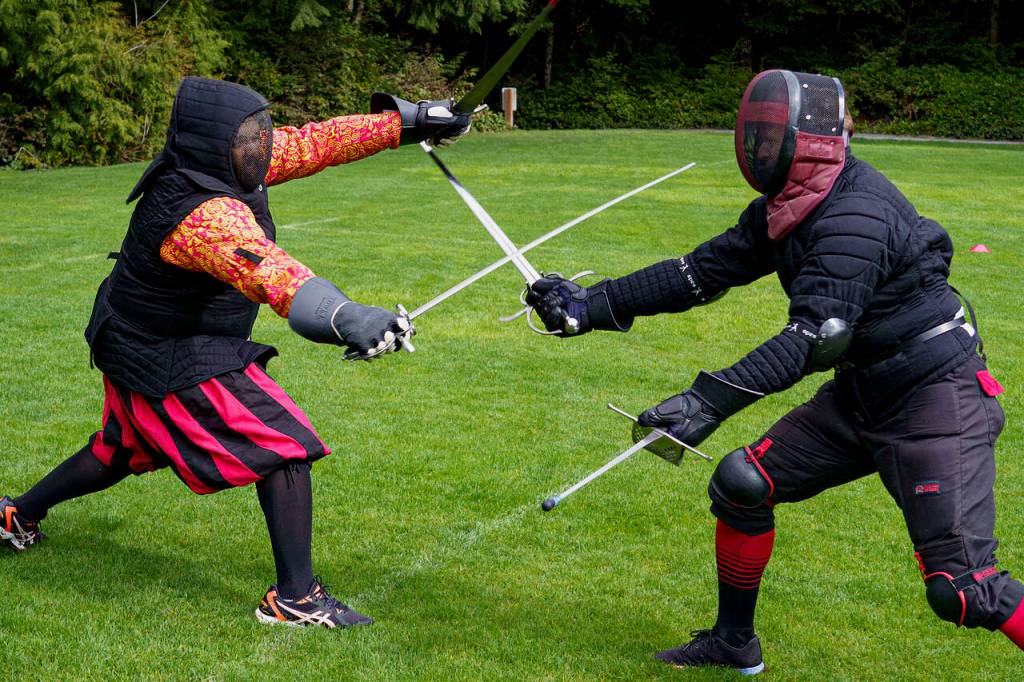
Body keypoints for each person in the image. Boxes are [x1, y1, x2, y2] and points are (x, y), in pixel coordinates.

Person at [526, 69, 1024, 673]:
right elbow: (698, 272)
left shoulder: (854, 217)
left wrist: (705, 402)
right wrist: (589, 305)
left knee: (963, 589)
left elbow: (816, 338)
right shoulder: (791, 204)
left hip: (934, 397)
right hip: (865, 391)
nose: (758, 149)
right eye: (755, 136)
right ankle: (734, 643)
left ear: (808, 142)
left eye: (768, 137)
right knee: (743, 482)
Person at [0, 76, 472, 628]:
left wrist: (411, 121)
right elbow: (272, 272)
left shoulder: (227, 163)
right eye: (247, 137)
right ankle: (294, 598)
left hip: (133, 335)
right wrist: (347, 316)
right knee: (286, 447)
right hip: (167, 350)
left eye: (261, 132)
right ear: (211, 142)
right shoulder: (201, 214)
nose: (261, 146)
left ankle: (15, 514)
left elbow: (316, 142)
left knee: (120, 449)